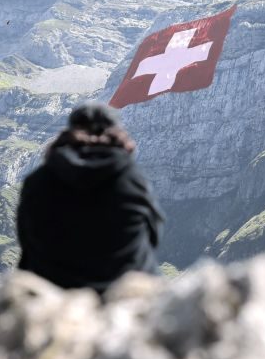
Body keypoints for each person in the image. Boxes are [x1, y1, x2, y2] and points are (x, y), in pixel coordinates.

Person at [16, 102, 165, 292]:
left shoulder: (38, 180)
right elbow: (153, 234)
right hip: (122, 295)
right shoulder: (132, 179)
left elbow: (25, 239)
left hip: (53, 295)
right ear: (117, 134)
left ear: (69, 132)